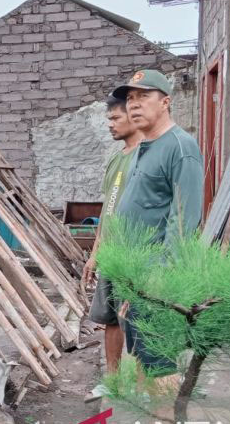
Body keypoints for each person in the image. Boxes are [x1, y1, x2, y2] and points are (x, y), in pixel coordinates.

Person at [111, 69, 204, 383]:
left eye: (143, 96)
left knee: (160, 367)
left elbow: (184, 219)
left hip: (157, 281)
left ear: (165, 102)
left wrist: (160, 279)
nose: (133, 105)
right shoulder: (143, 148)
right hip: (136, 279)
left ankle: (162, 415)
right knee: (139, 356)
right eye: (130, 99)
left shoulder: (181, 147)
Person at [82, 95, 144, 402]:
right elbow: (108, 209)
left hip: (138, 254)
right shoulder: (116, 158)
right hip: (111, 253)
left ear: (133, 118)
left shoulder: (148, 156)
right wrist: (95, 253)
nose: (110, 125)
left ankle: (147, 390)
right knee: (109, 319)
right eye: (109, 120)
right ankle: (113, 381)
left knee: (142, 320)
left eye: (115, 119)